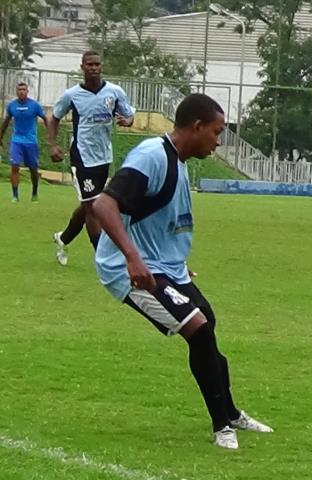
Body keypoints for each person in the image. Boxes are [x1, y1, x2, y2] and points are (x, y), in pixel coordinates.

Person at [92, 93, 272, 450]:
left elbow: (156, 218)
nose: (219, 142)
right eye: (217, 132)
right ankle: (222, 427)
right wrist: (132, 259)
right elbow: (103, 204)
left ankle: (231, 411)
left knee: (208, 321)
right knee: (198, 329)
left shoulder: (179, 160)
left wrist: (172, 260)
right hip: (132, 270)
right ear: (197, 126)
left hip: (165, 266)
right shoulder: (151, 155)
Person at [49, 50, 135, 265]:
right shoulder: (72, 95)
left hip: (103, 156)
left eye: (97, 64)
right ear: (82, 67)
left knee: (89, 204)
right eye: (90, 64)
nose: (94, 68)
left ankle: (63, 238)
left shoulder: (114, 92)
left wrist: (127, 121)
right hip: (82, 156)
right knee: (94, 206)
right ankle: (101, 257)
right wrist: (53, 145)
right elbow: (54, 117)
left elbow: (129, 115)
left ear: (101, 67)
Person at [0, 82, 48, 203]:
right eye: (19, 89)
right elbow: (6, 122)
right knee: (15, 166)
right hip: (16, 140)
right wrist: (0, 136)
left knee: (33, 169)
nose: (21, 92)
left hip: (31, 141)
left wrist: (50, 135)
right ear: (16, 91)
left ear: (27, 91)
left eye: (24, 90)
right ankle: (15, 196)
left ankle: (35, 193)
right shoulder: (12, 106)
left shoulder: (34, 105)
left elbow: (46, 118)